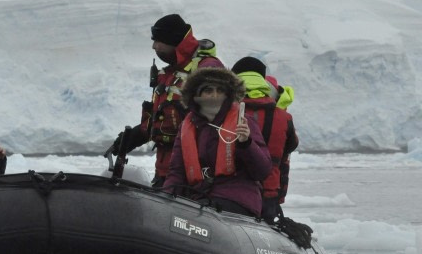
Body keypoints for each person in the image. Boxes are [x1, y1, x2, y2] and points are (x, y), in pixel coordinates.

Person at [110, 13, 224, 187]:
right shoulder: (168, 74)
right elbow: (160, 121)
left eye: (158, 41)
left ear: (173, 40)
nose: (153, 46)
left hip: (193, 176)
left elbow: (216, 125)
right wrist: (132, 137)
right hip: (166, 172)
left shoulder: (206, 70)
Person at [163, 67, 271, 216]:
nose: (214, 95)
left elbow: (263, 170)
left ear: (228, 94)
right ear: (195, 94)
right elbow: (177, 171)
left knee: (196, 214)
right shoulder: (186, 127)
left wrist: (246, 143)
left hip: (237, 199)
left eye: (220, 90)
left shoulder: (244, 122)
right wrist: (165, 200)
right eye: (208, 90)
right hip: (199, 198)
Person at [231, 56, 299, 223]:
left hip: (232, 193)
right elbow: (291, 146)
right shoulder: (284, 117)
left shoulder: (226, 111)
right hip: (268, 193)